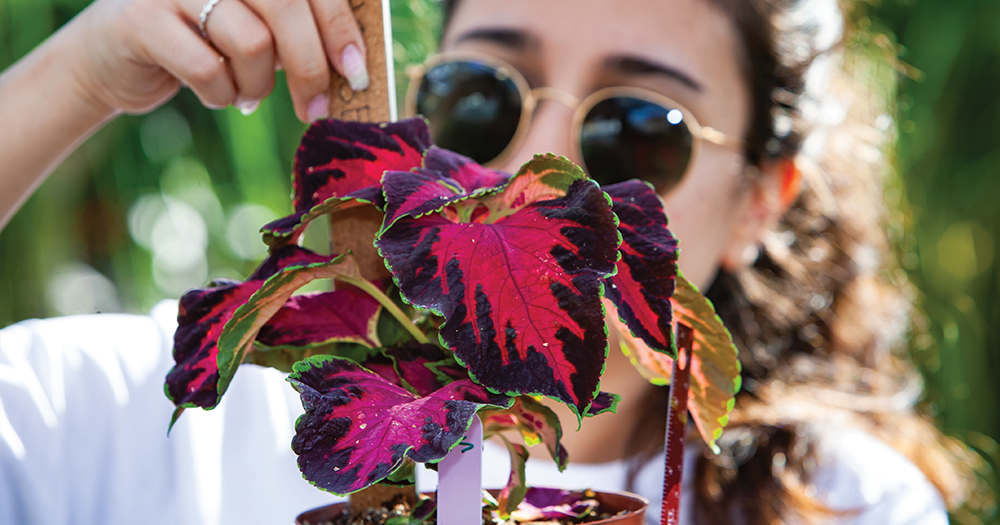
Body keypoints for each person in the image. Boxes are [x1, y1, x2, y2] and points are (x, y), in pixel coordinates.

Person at [0, 1, 981, 525]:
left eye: (640, 130)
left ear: (760, 203)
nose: (532, 160)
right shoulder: (154, 425)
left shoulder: (848, 507)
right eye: (483, 98)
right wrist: (76, 74)